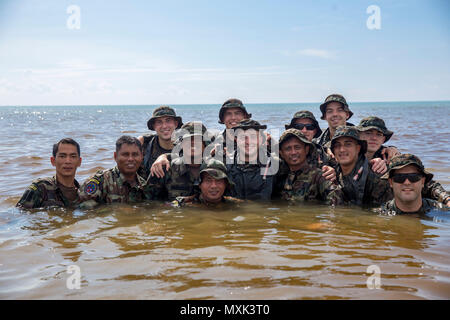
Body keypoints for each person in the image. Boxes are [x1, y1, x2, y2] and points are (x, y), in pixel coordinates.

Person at [358, 116, 450, 206]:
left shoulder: (391, 157)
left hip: (390, 209)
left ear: (383, 139)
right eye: (368, 133)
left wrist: (446, 199)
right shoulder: (348, 158)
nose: (374, 138)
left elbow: (427, 184)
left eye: (379, 134)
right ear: (359, 135)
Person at [78, 136, 160, 209]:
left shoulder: (144, 186)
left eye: (135, 154)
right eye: (125, 154)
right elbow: (84, 209)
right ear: (115, 156)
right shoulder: (101, 181)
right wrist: (115, 210)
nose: (131, 159)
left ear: (142, 157)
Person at [275, 128, 345, 205]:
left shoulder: (321, 176)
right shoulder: (278, 176)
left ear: (306, 150)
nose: (293, 152)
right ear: (281, 153)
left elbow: (336, 204)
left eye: (297, 147)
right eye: (288, 148)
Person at [331, 126, 392, 207]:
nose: (342, 149)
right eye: (337, 145)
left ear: (358, 148)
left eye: (348, 144)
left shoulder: (377, 177)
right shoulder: (332, 172)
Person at [148, 121, 211, 200]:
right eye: (187, 140)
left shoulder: (216, 167)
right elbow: (149, 203)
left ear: (205, 144)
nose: (192, 144)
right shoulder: (165, 168)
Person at [17, 138, 82, 209]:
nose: (68, 161)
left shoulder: (84, 194)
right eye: (62, 156)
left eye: (73, 156)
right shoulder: (40, 188)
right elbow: (19, 215)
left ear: (79, 161)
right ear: (53, 161)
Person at [377, 154, 449, 215]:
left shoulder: (442, 211)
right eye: (399, 178)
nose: (407, 182)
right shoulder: (382, 214)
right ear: (391, 182)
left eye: (413, 177)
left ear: (422, 182)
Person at [225, 119, 279, 200]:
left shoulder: (275, 164)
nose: (248, 142)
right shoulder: (224, 165)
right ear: (236, 140)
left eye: (253, 137)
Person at [172, 159, 242, 208]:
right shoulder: (181, 204)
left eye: (218, 181)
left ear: (226, 184)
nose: (213, 186)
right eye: (208, 180)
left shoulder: (234, 203)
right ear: (200, 184)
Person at [137, 106, 183, 179]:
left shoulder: (186, 145)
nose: (164, 126)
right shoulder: (145, 144)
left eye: (168, 121)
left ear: (176, 124)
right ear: (154, 126)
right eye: (159, 122)